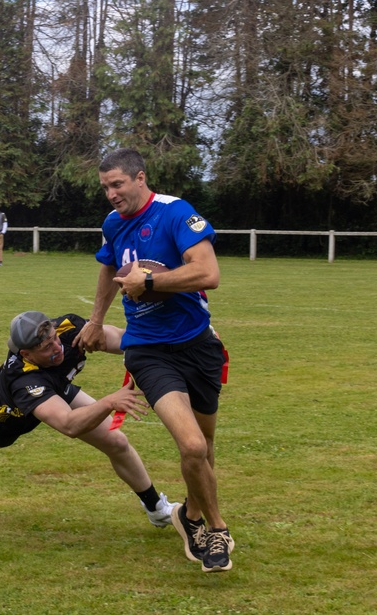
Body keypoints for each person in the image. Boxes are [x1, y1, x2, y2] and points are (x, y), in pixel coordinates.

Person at [73, 148, 234, 573]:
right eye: (105, 187)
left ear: (140, 178)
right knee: (192, 444)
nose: (110, 194)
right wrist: (95, 321)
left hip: (197, 345)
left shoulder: (175, 214)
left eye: (117, 184)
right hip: (147, 350)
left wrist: (152, 280)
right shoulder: (113, 224)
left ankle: (191, 517)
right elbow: (108, 270)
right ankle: (217, 529)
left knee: (205, 447)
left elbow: (208, 274)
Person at [0, 311, 178, 528]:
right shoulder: (23, 379)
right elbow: (69, 424)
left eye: (55, 340)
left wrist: (173, 341)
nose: (57, 349)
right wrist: (109, 401)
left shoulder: (68, 328)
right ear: (26, 354)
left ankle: (156, 509)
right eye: (47, 348)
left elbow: (119, 338)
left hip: (55, 388)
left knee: (116, 441)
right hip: (8, 415)